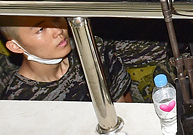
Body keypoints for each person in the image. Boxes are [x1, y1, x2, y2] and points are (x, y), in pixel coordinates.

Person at [0, 16, 132, 102]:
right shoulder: (19, 101)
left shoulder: (92, 49)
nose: (58, 30)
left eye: (56, 18)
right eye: (41, 29)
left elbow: (123, 105)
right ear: (15, 47)